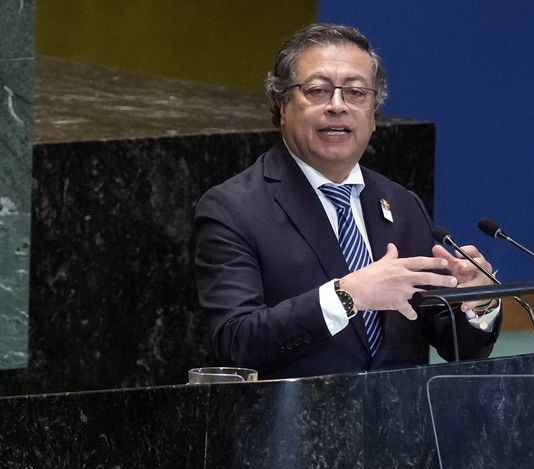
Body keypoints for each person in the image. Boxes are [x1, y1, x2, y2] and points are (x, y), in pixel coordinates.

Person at [194, 23, 501, 379]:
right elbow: (236, 342)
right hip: (293, 428)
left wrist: (480, 302)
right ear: (282, 105)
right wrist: (347, 295)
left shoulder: (401, 205)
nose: (337, 106)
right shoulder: (234, 208)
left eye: (356, 93)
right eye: (318, 91)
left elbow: (459, 348)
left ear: (374, 113)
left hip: (399, 427)